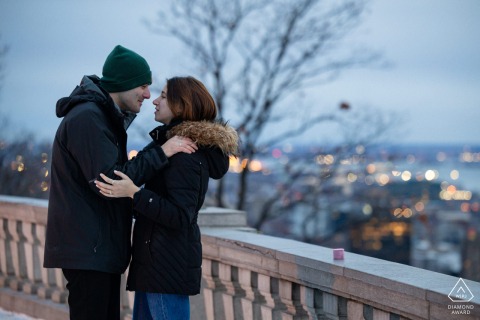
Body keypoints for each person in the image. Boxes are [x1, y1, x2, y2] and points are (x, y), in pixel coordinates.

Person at [43, 45, 197, 320]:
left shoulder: (102, 117)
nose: (148, 95)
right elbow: (110, 182)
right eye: (143, 85)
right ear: (123, 85)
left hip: (97, 249)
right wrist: (163, 152)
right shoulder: (89, 118)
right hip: (89, 250)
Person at [95, 76, 239, 319]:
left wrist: (135, 194)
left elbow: (182, 216)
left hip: (165, 269)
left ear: (181, 105)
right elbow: (135, 169)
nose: (155, 101)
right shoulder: (168, 144)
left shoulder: (185, 154)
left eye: (163, 95)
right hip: (154, 266)